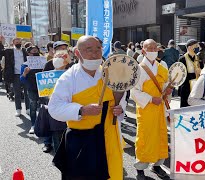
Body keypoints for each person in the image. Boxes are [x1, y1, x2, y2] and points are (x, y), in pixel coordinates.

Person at [48, 36, 126, 179]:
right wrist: (81, 110)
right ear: (77, 53)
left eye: (98, 49)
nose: (95, 53)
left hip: (109, 137)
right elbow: (54, 108)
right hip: (82, 140)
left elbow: (120, 97)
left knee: (113, 173)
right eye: (89, 49)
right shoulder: (68, 78)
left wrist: (120, 109)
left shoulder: (110, 73)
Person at [131, 39, 172, 180]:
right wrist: (150, 99)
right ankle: (140, 169)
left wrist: (168, 91)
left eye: (155, 48)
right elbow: (134, 92)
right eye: (150, 48)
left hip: (160, 108)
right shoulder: (139, 69)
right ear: (143, 51)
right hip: (146, 109)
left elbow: (166, 88)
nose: (153, 51)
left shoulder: (162, 68)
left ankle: (157, 165)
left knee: (161, 136)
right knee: (145, 138)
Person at [0, 37, 30, 116]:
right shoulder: (8, 51)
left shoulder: (25, 51)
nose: (18, 44)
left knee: (27, 92)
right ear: (13, 43)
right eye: (16, 42)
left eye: (19, 42)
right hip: (16, 74)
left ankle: (28, 109)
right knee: (17, 93)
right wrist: (1, 42)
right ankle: (18, 109)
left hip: (25, 74)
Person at [20, 46, 42, 134]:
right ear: (29, 54)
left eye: (37, 51)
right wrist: (25, 73)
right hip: (31, 88)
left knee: (43, 107)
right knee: (33, 107)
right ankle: (33, 124)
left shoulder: (43, 62)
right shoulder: (25, 65)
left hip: (43, 89)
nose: (36, 53)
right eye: (34, 52)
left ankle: (43, 125)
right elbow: (21, 79)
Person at [178, 39, 202, 107]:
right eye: (196, 46)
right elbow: (181, 74)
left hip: (197, 87)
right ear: (189, 47)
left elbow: (203, 70)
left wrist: (201, 71)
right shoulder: (182, 59)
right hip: (186, 87)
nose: (198, 48)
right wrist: (194, 74)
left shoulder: (198, 58)